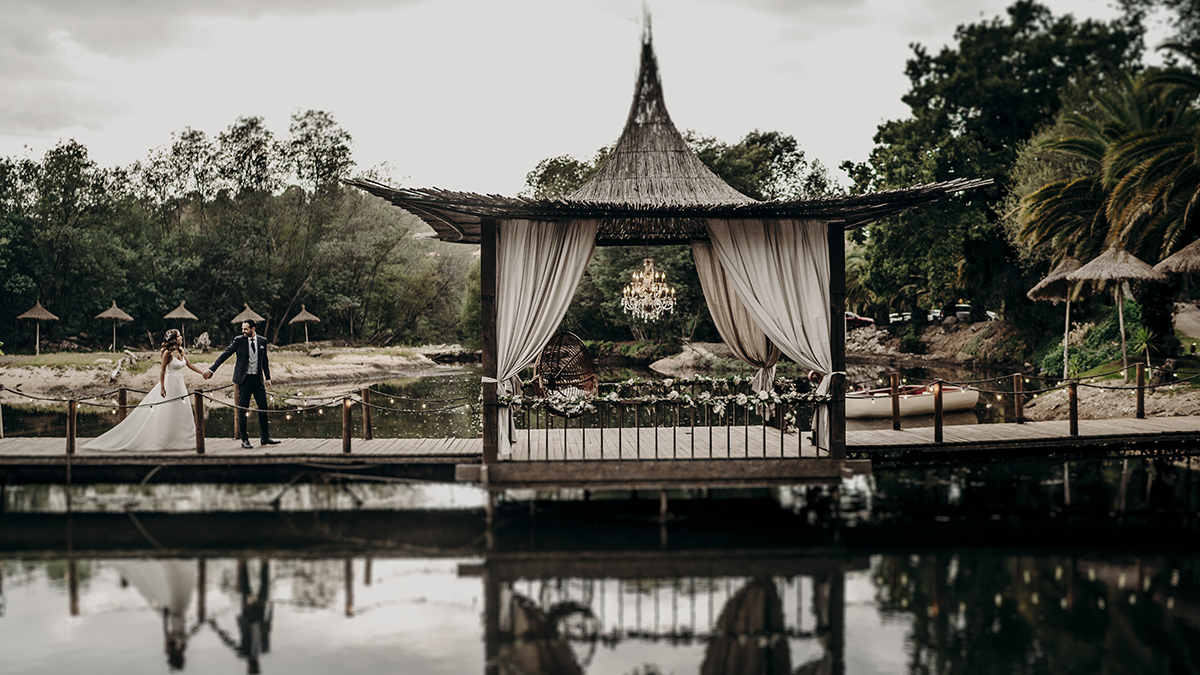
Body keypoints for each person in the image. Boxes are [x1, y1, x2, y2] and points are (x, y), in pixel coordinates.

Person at [84, 329, 206, 451]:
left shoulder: (181, 351)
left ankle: (186, 441)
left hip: (180, 386)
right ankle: (165, 441)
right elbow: (162, 371)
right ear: (174, 339)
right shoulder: (167, 353)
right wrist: (162, 387)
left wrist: (203, 373)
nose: (181, 338)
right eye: (179, 336)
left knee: (183, 411)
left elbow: (190, 365)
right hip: (170, 384)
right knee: (168, 412)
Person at [204, 319, 279, 448]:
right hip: (244, 380)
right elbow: (225, 354)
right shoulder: (239, 340)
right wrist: (212, 369)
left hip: (258, 379)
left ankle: (265, 437)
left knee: (263, 407)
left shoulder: (262, 341)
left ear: (253, 329)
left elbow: (264, 361)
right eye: (242, 328)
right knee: (243, 409)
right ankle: (245, 439)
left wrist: (268, 378)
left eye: (246, 329)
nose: (243, 331)